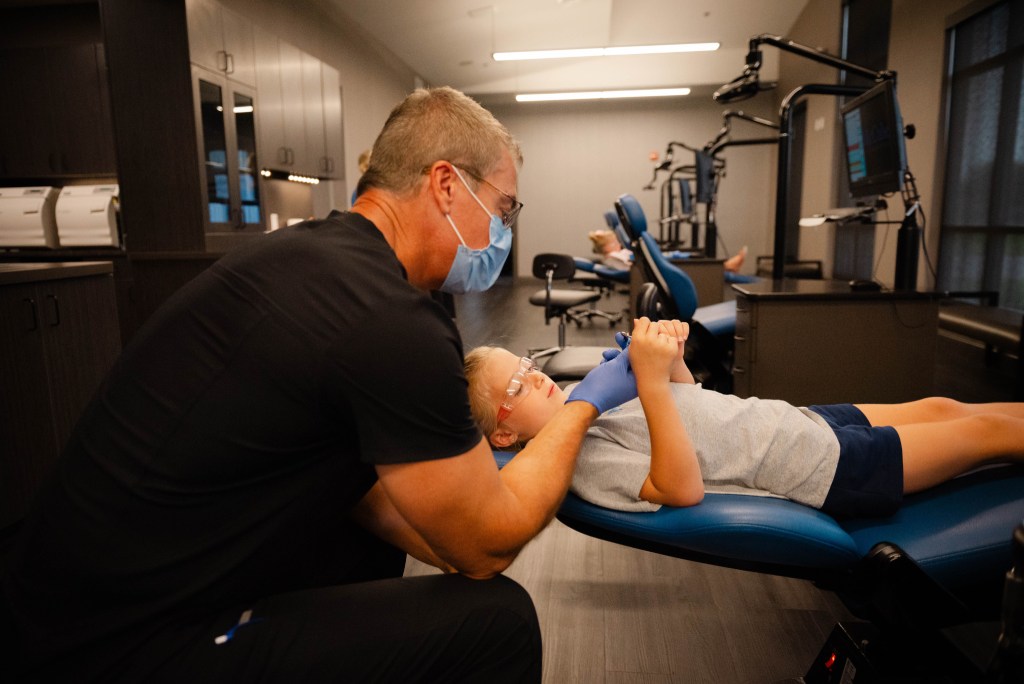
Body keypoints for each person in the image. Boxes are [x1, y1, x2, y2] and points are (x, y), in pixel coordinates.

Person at [1, 86, 640, 683]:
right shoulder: (388, 318)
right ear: (446, 185)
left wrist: (452, 537)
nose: (502, 231)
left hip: (52, 603)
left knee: (362, 545)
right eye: (503, 209)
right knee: (498, 621)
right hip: (115, 646)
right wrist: (582, 404)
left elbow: (378, 498)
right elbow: (488, 546)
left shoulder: (303, 258)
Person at [465, 318, 1024, 517]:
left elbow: (692, 411)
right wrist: (651, 387)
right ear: (505, 433)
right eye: (517, 386)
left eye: (527, 365)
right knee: (985, 434)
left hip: (789, 421)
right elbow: (682, 487)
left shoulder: (581, 400)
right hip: (815, 467)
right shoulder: (582, 462)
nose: (534, 377)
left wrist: (673, 365)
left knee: (942, 407)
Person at [587, 228, 747, 274]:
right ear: (606, 247)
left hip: (649, 263)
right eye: (614, 242)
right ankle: (727, 266)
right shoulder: (613, 256)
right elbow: (630, 263)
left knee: (675, 255)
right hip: (647, 267)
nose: (618, 244)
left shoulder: (611, 255)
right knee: (678, 257)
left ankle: (727, 267)